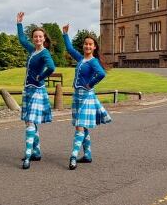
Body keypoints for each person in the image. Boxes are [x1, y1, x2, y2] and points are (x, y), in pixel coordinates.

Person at [62, 24, 111, 170]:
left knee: (79, 126)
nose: (87, 46)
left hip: (86, 96)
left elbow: (101, 74)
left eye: (90, 44)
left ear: (94, 47)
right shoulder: (81, 59)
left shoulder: (93, 61)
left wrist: (90, 84)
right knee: (83, 126)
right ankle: (88, 155)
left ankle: (73, 156)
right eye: (86, 44)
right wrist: (65, 34)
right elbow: (70, 49)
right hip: (77, 96)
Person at [16, 12, 56, 170]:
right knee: (29, 121)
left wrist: (41, 77)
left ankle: (28, 155)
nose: (38, 39)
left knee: (30, 121)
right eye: (35, 36)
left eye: (40, 36)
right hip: (28, 89)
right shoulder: (32, 50)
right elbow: (21, 39)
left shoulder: (44, 52)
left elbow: (52, 67)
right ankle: (37, 152)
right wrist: (19, 24)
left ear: (44, 39)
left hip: (37, 90)